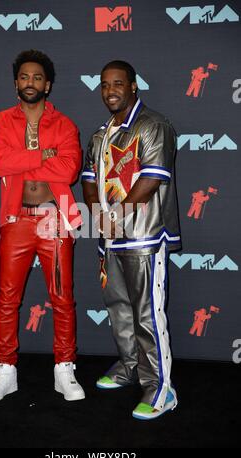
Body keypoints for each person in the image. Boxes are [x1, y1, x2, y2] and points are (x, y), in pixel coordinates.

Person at [0, 50, 85, 403]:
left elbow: (69, 169)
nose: (30, 82)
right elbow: (0, 161)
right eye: (24, 77)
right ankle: (5, 370)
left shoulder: (65, 124)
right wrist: (44, 155)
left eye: (37, 77)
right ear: (16, 83)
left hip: (55, 220)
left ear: (48, 84)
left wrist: (25, 163)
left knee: (62, 298)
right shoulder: (1, 121)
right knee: (8, 299)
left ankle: (64, 369)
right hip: (16, 220)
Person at [82, 60, 181, 420]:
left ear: (134, 86)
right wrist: (98, 217)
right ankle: (129, 367)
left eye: (118, 83)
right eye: (105, 84)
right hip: (110, 236)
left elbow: (151, 179)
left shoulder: (153, 125)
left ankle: (160, 388)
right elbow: (89, 179)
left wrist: (115, 217)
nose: (111, 90)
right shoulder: (99, 135)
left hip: (144, 234)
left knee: (146, 314)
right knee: (118, 308)